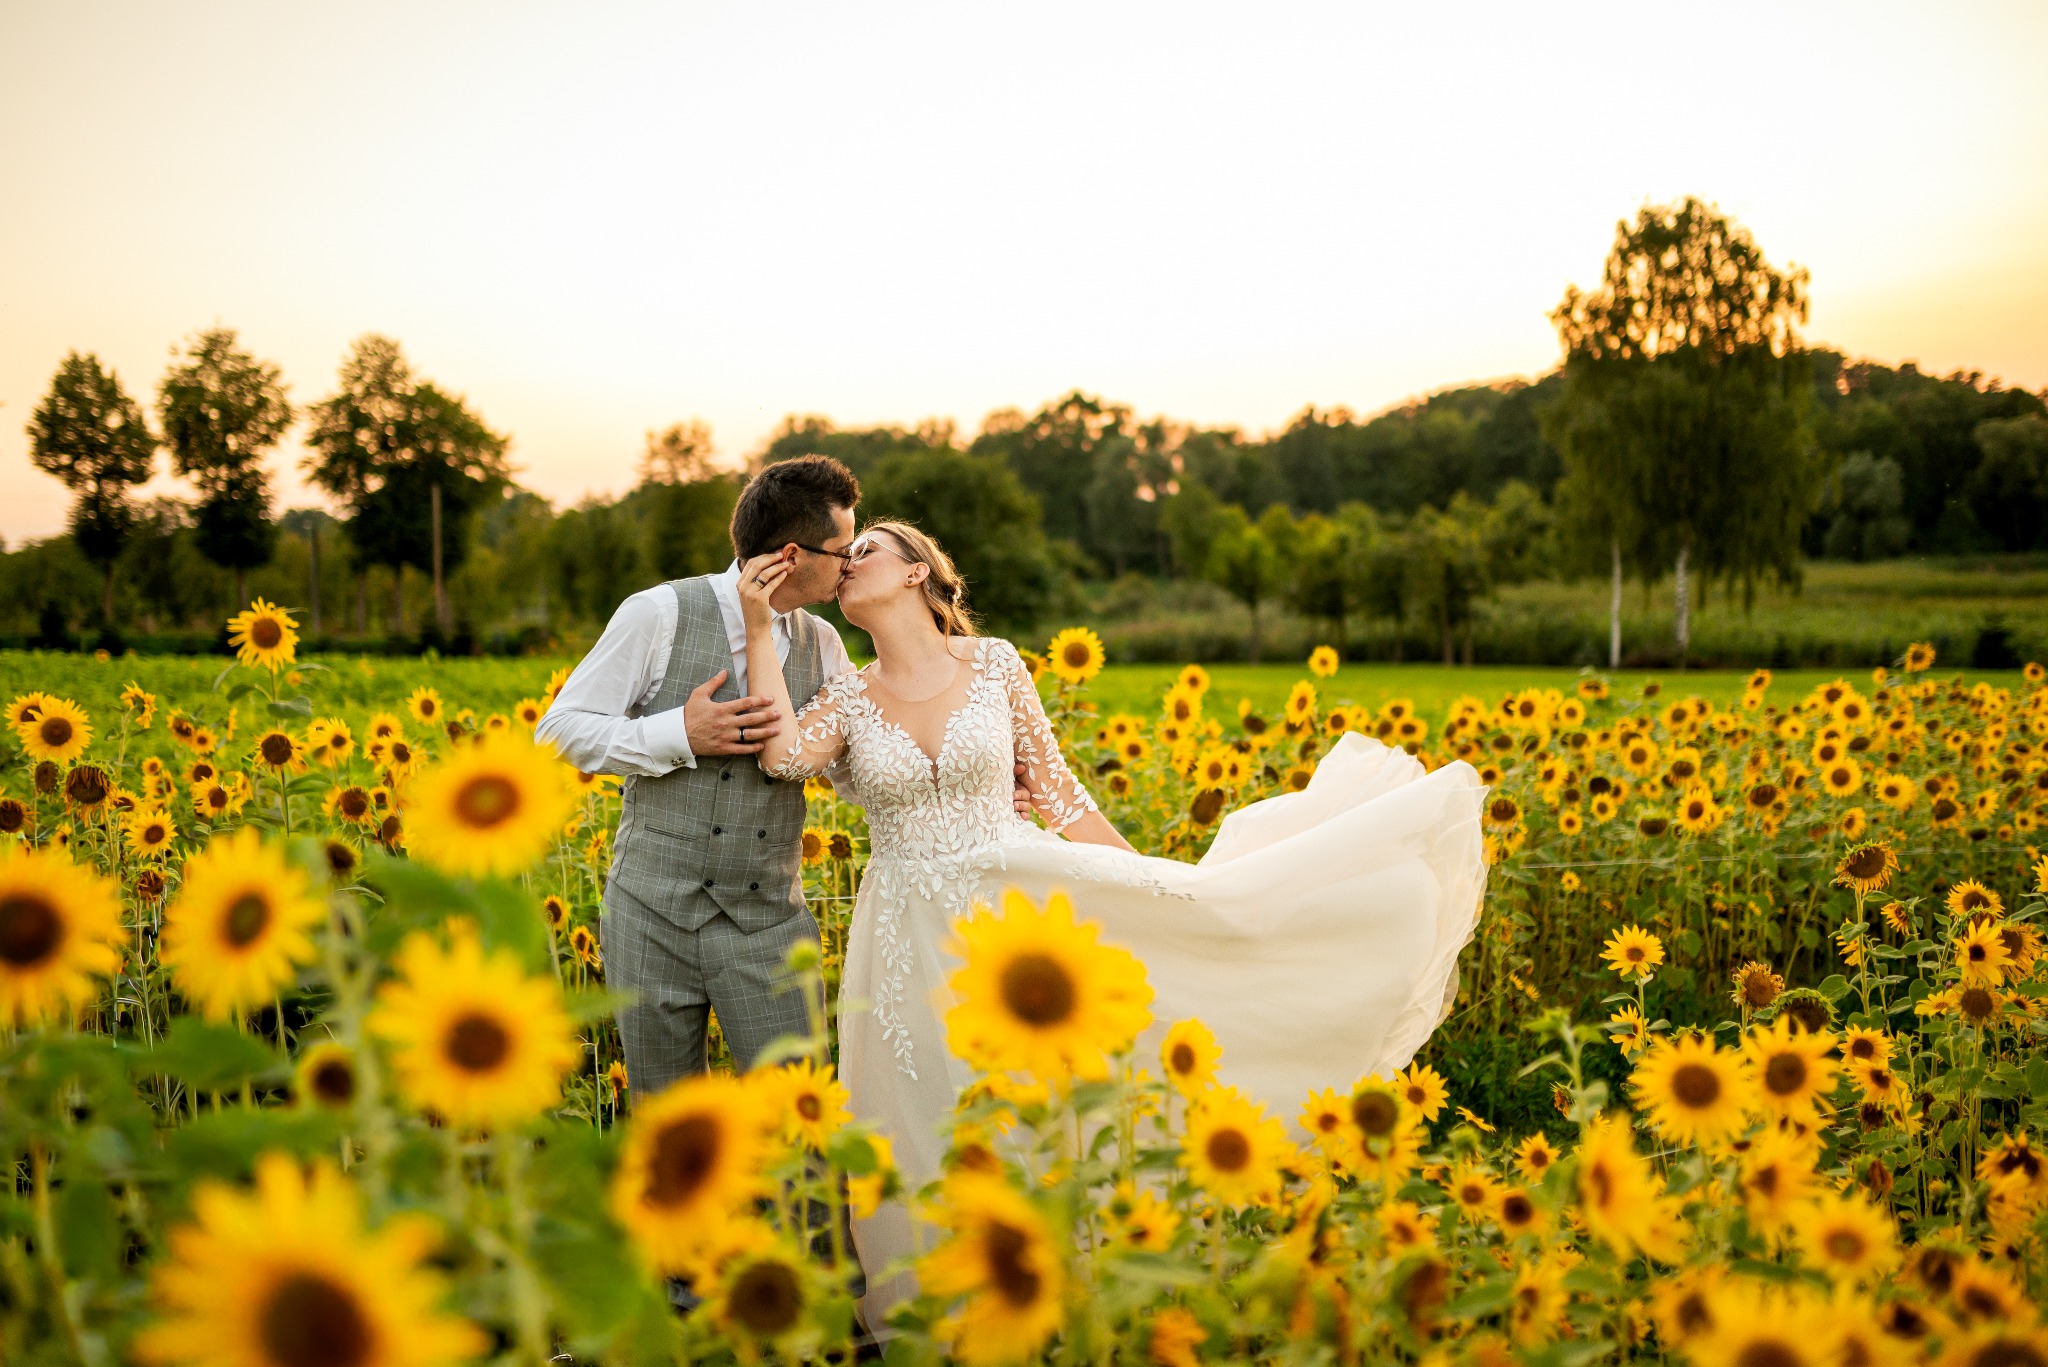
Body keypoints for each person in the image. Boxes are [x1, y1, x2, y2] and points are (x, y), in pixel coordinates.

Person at [737, 520, 1488, 1327]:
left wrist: (1157, 885)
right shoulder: (848, 692)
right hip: (902, 940)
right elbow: (781, 756)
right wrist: (756, 626)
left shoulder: (995, 664)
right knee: (920, 1126)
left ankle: (1056, 1306)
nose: (845, 565)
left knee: (1032, 1106)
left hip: (1013, 914)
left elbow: (1059, 795)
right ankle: (940, 1322)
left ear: (918, 573)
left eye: (865, 552)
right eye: (843, 559)